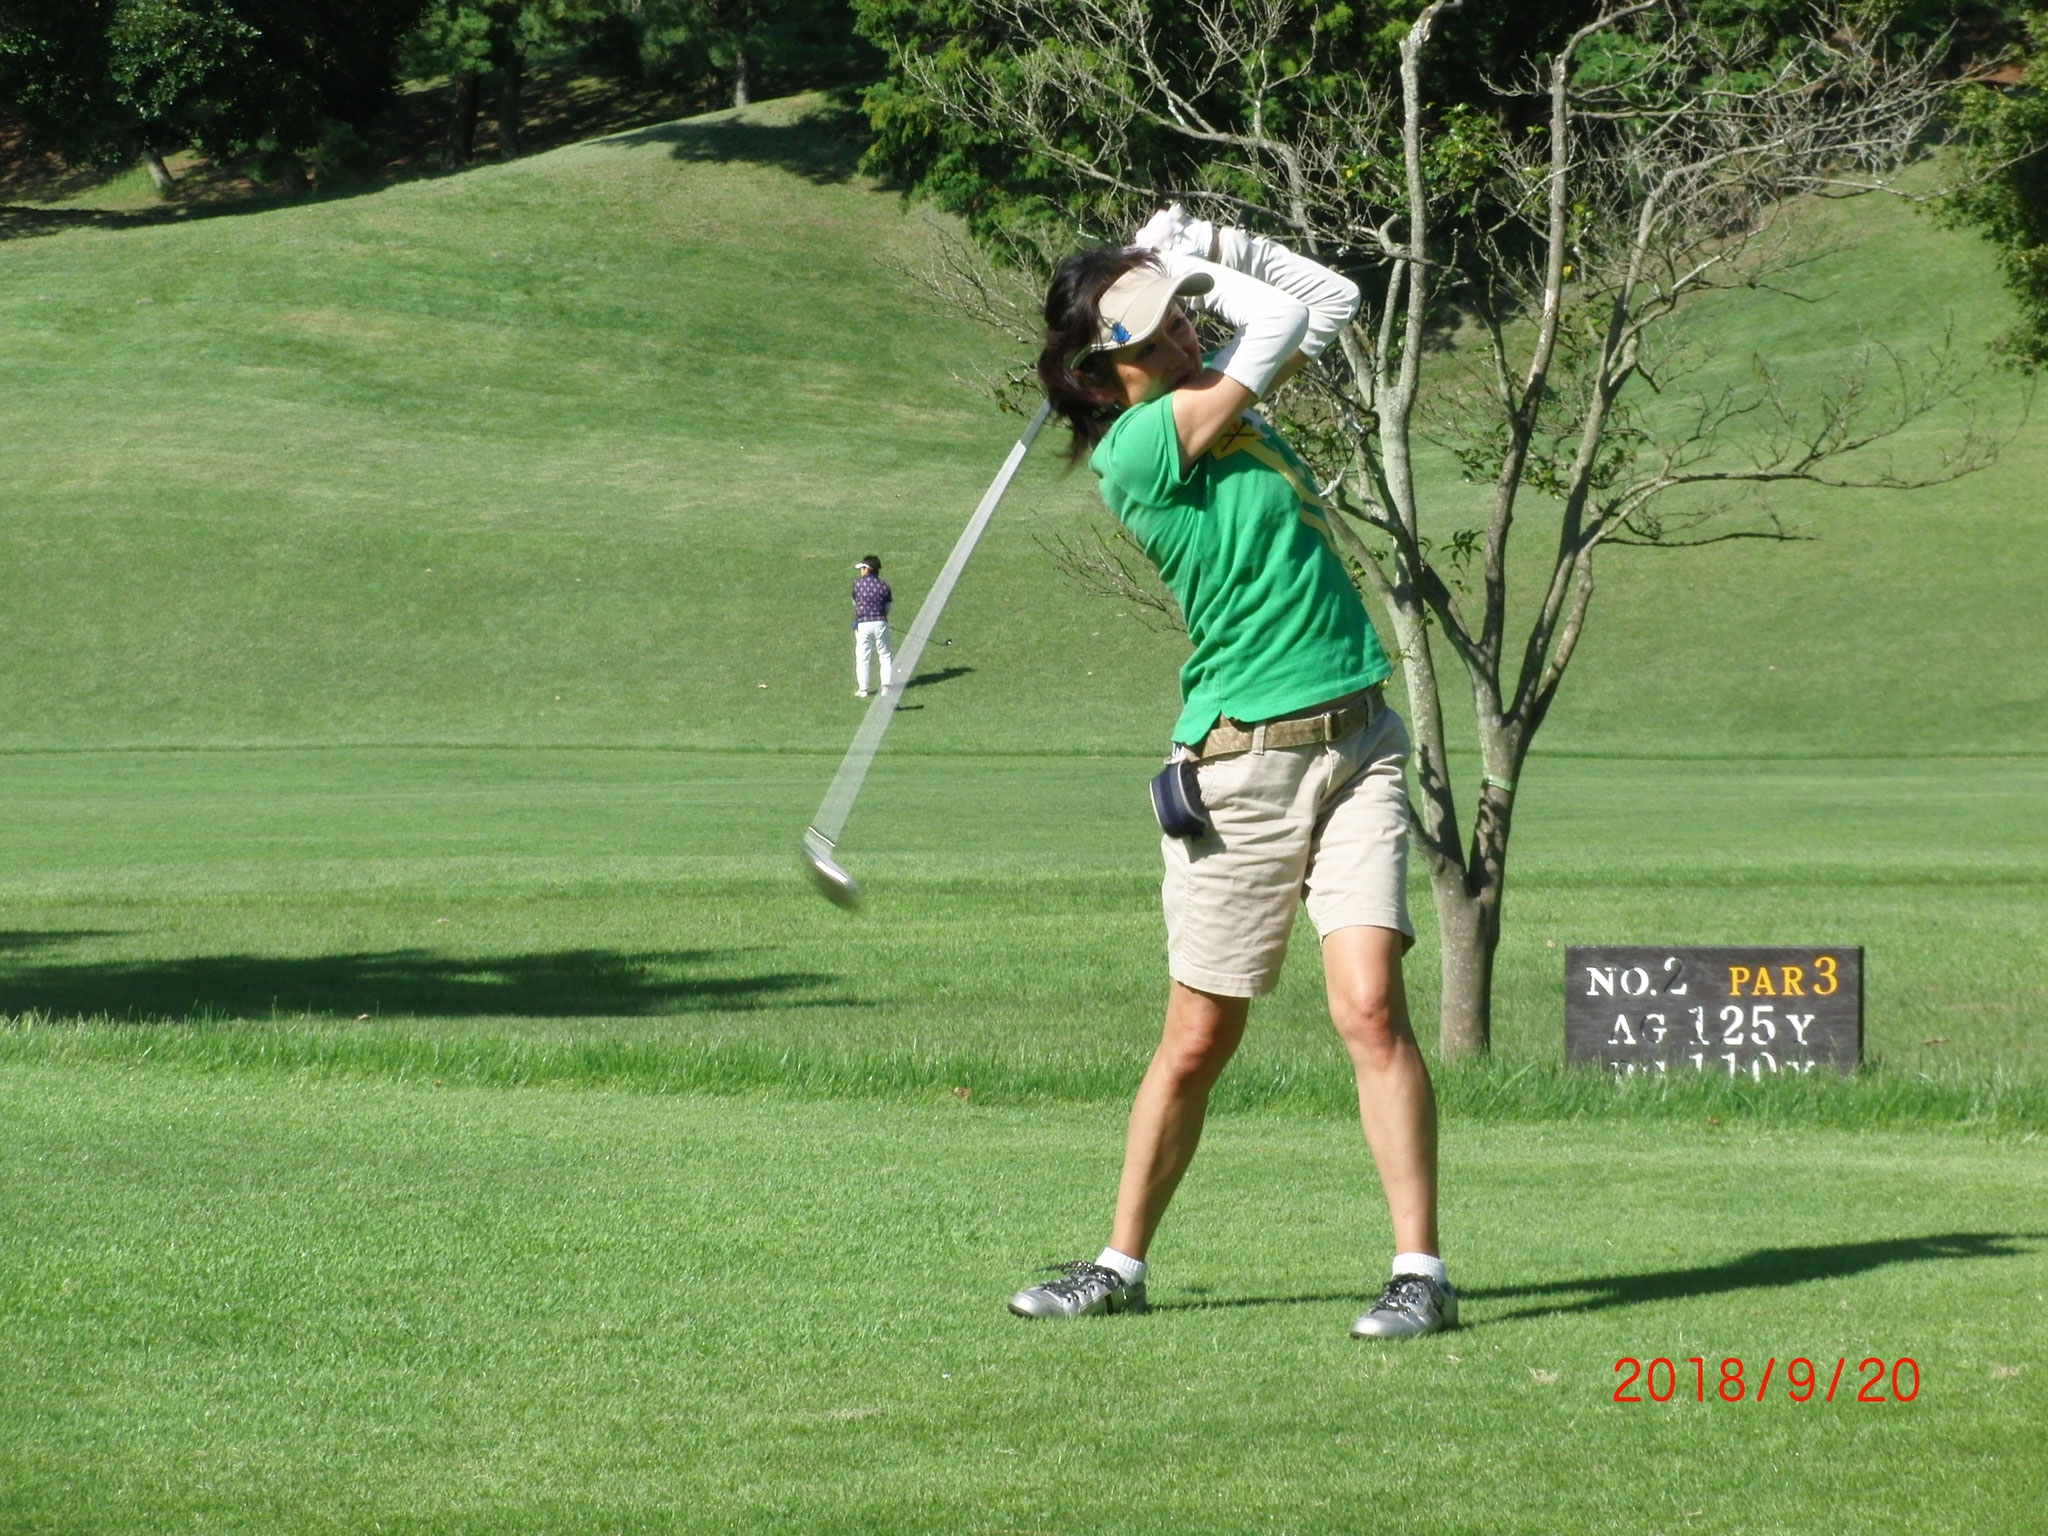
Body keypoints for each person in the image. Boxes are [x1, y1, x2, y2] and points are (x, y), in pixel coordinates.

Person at [1005, 207, 1454, 1339]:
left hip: (1357, 745)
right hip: (1237, 771)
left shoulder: (1227, 411)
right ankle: (1117, 1261)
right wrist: (1200, 263)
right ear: (1108, 375)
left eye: (1179, 329)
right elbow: (1288, 319)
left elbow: (1330, 303)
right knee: (1197, 1039)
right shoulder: (1142, 448)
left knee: (1369, 1009)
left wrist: (1219, 244)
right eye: (1153, 339)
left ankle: (1418, 1272)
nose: (1179, 345)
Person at [851, 555, 893, 698]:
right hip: (880, 622)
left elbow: (855, 603)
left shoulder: (857, 584)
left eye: (862, 568)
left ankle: (863, 690)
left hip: (863, 624)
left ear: (868, 569)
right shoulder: (884, 586)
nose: (861, 571)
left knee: (863, 657)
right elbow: (888, 608)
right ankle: (886, 687)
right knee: (885, 655)